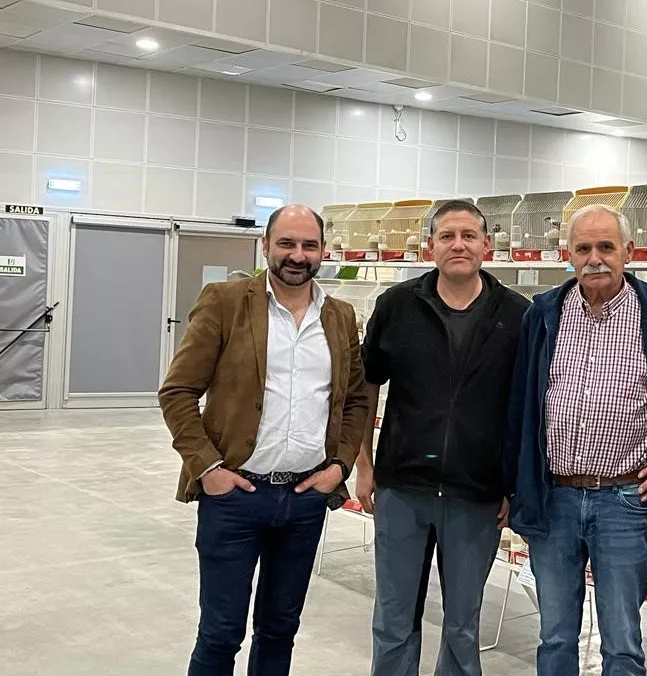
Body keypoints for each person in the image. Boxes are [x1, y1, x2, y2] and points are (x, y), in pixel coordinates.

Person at [159, 204, 370, 676]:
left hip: (304, 499)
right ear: (265, 247)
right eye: (287, 244)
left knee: (280, 630)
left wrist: (338, 466)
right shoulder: (225, 302)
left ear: (323, 251)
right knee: (220, 633)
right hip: (235, 496)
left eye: (309, 245)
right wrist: (208, 470)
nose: (298, 255)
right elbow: (177, 391)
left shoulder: (339, 316)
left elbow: (356, 399)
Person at [504, 203, 647, 676]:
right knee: (554, 636)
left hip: (626, 500)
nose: (595, 258)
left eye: (606, 247)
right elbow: (520, 406)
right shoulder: (543, 315)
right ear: (567, 254)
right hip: (554, 499)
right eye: (584, 248)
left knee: (623, 642)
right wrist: (516, 485)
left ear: (628, 252)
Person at [356, 199, 530, 676]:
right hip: (402, 487)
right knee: (393, 617)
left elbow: (526, 408)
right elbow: (367, 385)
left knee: (462, 625)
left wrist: (514, 484)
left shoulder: (517, 315)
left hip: (476, 493)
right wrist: (365, 466)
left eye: (469, 236)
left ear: (487, 246)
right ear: (430, 246)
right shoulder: (396, 306)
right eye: (448, 236)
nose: (459, 245)